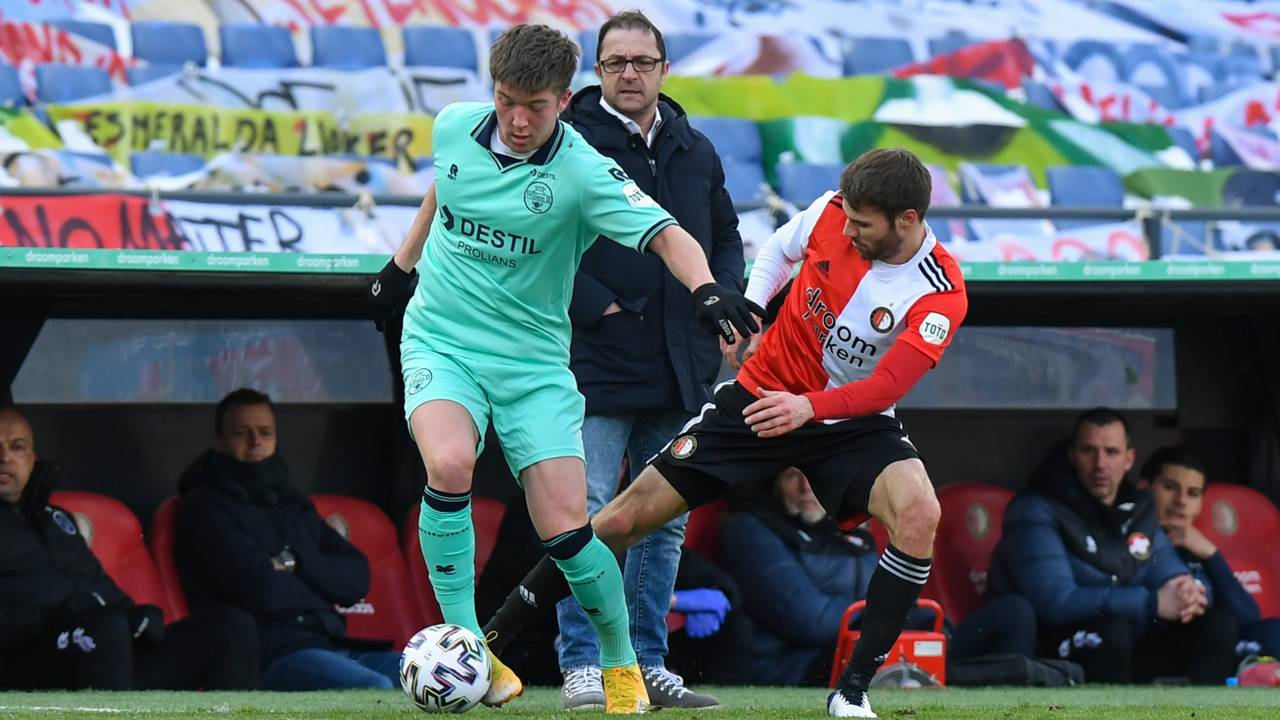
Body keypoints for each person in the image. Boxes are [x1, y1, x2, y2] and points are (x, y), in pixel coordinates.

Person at [482, 147, 970, 718]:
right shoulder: (833, 209)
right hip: (760, 397)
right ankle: (487, 644)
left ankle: (853, 690)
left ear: (907, 220)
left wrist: (810, 408)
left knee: (920, 513)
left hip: (847, 421)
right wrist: (753, 313)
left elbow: (887, 386)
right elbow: (778, 250)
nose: (850, 227)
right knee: (620, 519)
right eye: (849, 217)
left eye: (864, 224)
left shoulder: (940, 290)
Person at [366, 23, 762, 714]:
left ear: (564, 100)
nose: (518, 120)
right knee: (451, 464)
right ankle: (471, 650)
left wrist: (704, 289)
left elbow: (669, 232)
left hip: (533, 365)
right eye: (506, 101)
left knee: (569, 529)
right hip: (443, 341)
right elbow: (443, 189)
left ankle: (619, 661)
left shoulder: (583, 170)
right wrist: (399, 268)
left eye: (537, 106)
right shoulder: (455, 125)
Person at [551, 9, 744, 710]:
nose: (629, 74)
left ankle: (646, 664)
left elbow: (725, 235)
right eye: (615, 63)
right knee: (590, 514)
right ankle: (583, 663)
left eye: (642, 61)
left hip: (679, 366)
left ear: (664, 69)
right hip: (597, 364)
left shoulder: (696, 148)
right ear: (596, 72)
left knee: (663, 521)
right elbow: (542, 242)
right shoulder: (566, 141)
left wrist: (724, 301)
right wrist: (596, 307)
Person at [0, 406, 259, 691]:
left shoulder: (53, 519)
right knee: (104, 628)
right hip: (26, 666)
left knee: (231, 627)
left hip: (100, 657)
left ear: (31, 459)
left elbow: (97, 584)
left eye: (17, 447)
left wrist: (136, 616)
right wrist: (51, 619)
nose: (5, 457)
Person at [988, 408, 1239, 685]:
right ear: (1072, 455)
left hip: (1131, 641)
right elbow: (1055, 603)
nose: (1100, 464)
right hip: (1060, 646)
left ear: (1129, 458)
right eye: (1089, 451)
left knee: (1218, 626)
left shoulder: (1140, 509)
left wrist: (1188, 591)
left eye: (1111, 452)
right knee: (1110, 631)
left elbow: (1170, 571)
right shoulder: (1036, 509)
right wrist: (1151, 602)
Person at [720, 467, 1037, 686]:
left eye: (813, 476)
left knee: (1013, 613)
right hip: (800, 666)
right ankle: (1004, 674)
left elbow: (897, 596)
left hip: (874, 644)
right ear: (774, 484)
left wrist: (922, 624)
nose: (806, 488)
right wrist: (894, 619)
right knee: (911, 641)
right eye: (792, 476)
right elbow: (810, 621)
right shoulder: (751, 529)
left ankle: (1008, 681)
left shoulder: (849, 532)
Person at [174, 389, 402, 691]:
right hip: (272, 655)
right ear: (219, 441)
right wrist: (320, 582)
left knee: (443, 678)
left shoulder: (291, 501)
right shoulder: (204, 506)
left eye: (265, 432)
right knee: (373, 688)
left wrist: (293, 563)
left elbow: (356, 578)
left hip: (333, 644)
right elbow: (262, 589)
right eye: (242, 433)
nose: (256, 442)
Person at [1138, 445, 1280, 658]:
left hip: (1205, 644)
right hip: (1147, 642)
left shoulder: (1197, 548)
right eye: (1169, 487)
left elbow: (1248, 616)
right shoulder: (1130, 540)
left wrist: (1210, 553)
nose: (1181, 501)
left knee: (1271, 631)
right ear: (1144, 488)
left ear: (1200, 503)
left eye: (1193, 494)